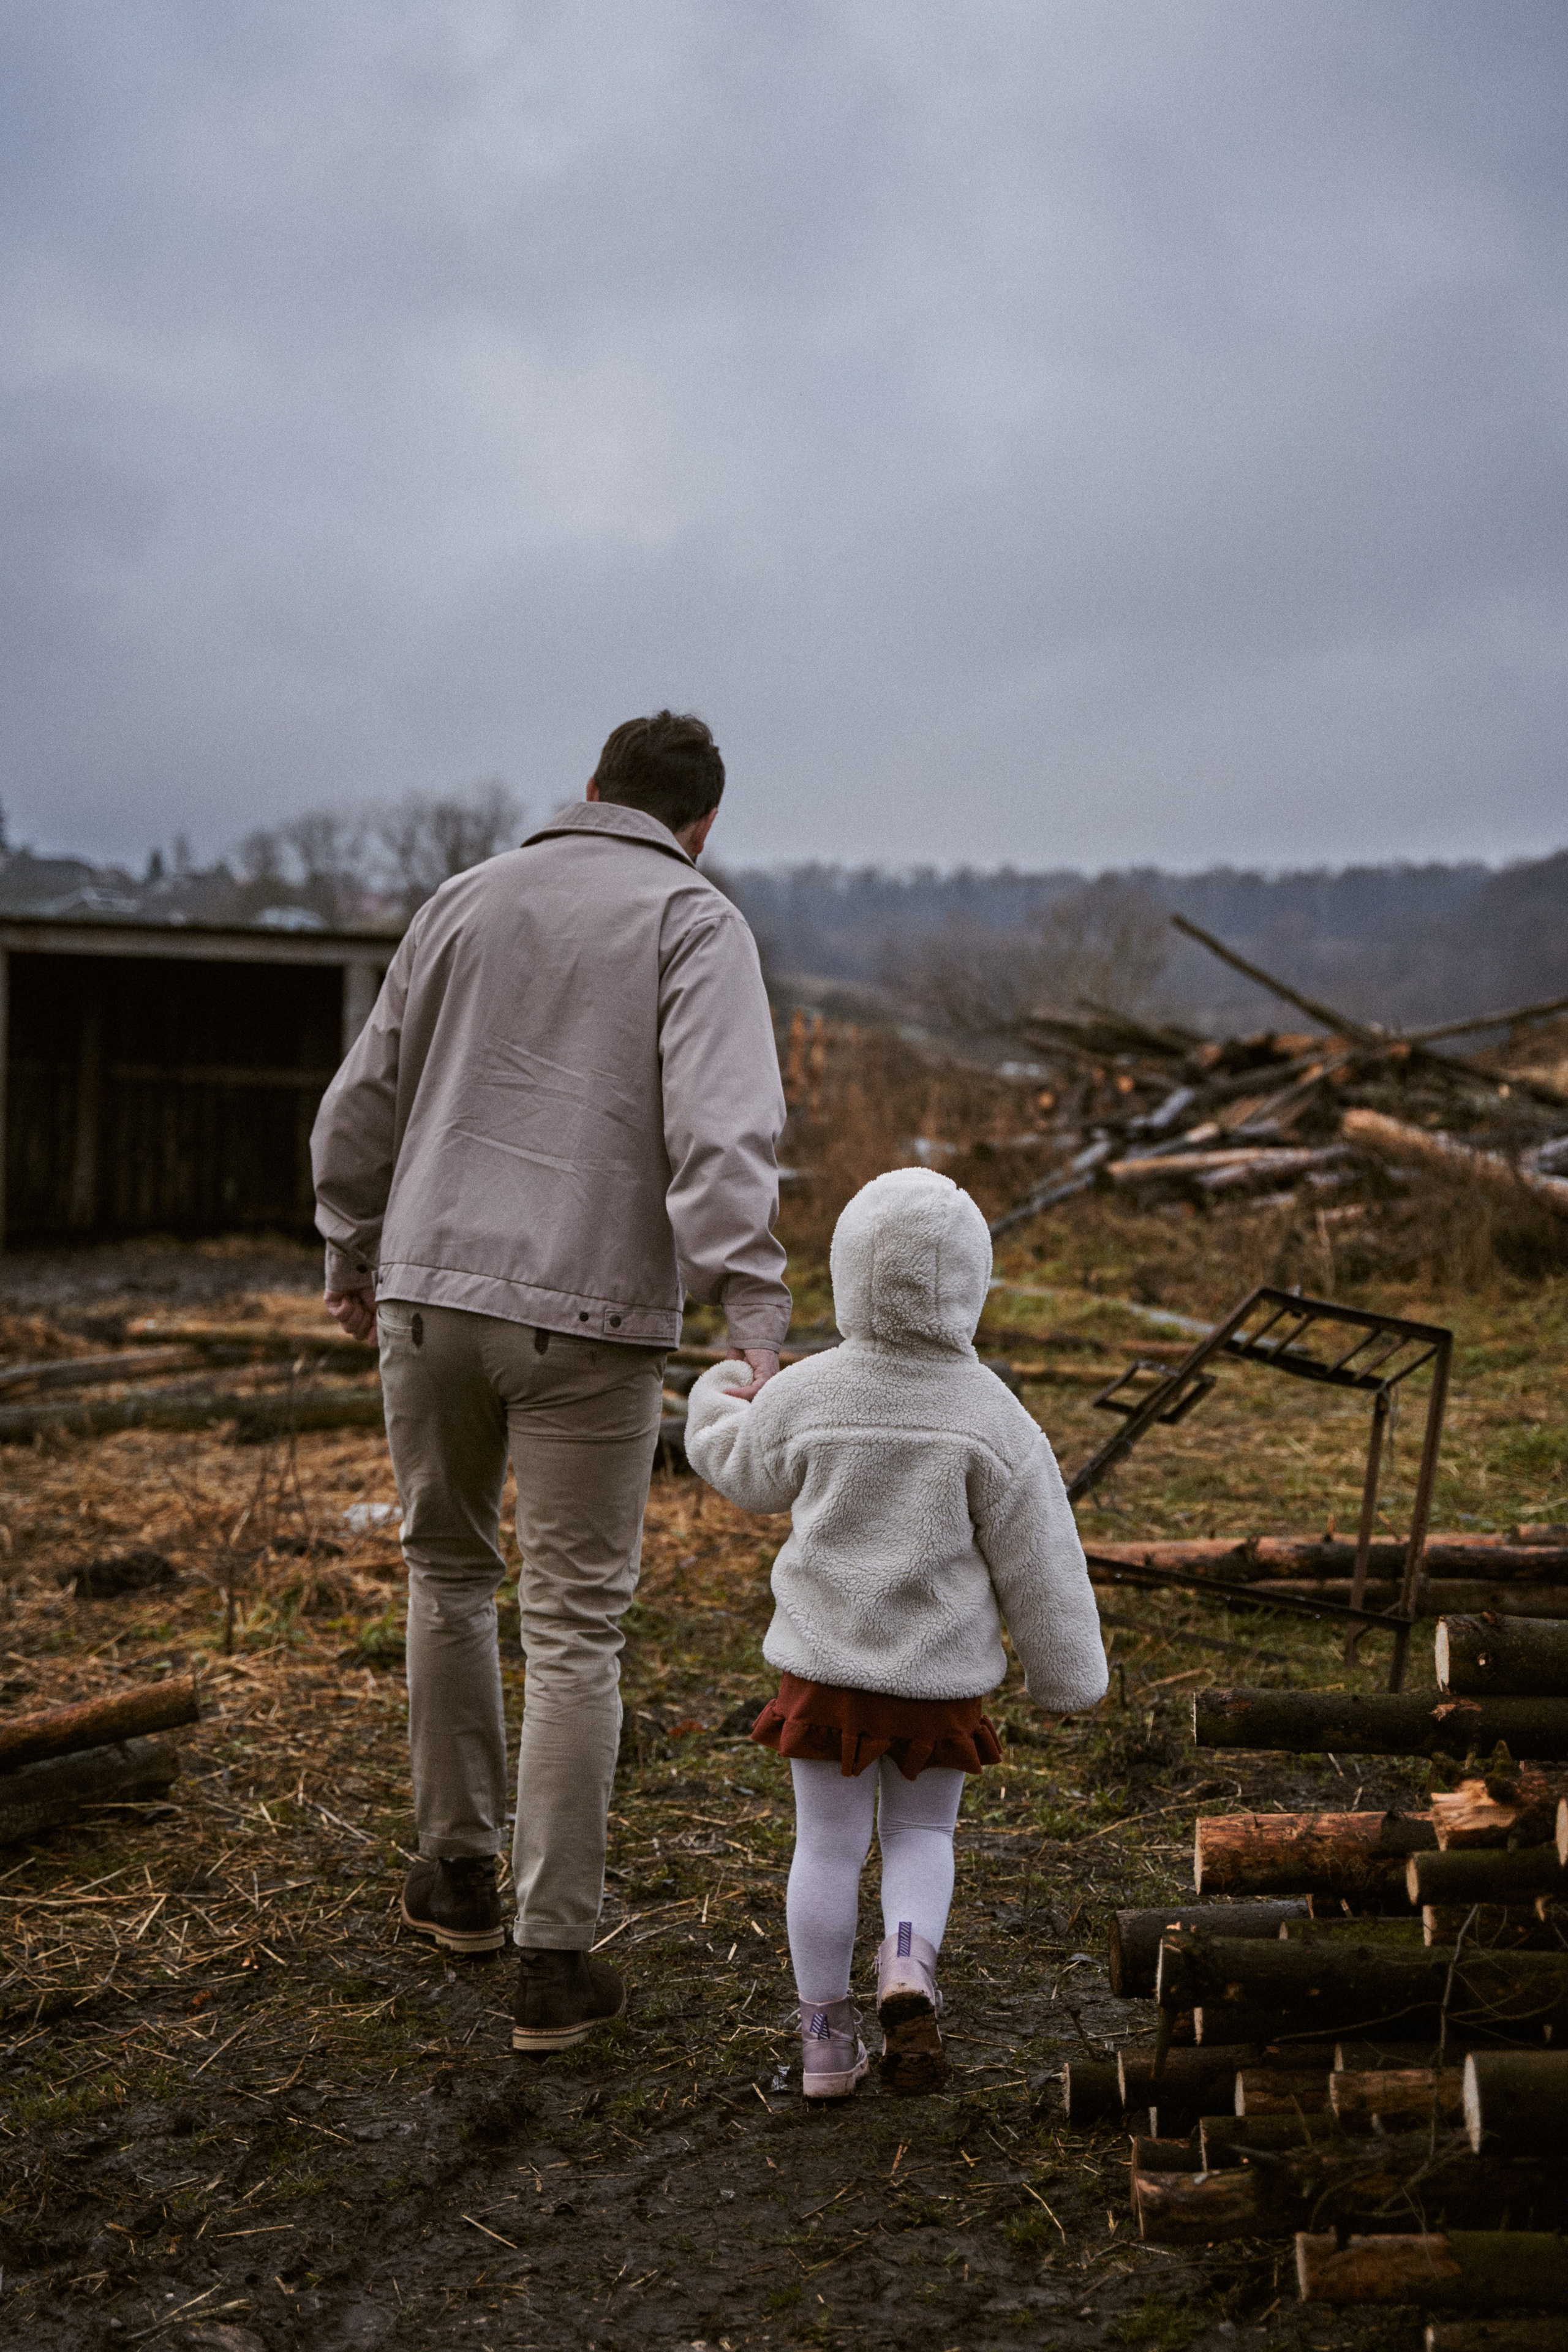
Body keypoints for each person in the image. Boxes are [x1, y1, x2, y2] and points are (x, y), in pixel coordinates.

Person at [310, 712, 790, 2052]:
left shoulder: (462, 901)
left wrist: (350, 1248)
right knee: (574, 1629)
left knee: (446, 1575)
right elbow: (721, 1129)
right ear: (698, 826)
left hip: (427, 1294)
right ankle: (551, 1959)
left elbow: (361, 1102)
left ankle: (455, 1878)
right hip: (589, 1315)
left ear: (589, 791)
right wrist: (754, 1308)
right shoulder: (694, 923)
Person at [683, 1165, 1106, 2097]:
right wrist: (1069, 1673)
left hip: (825, 1674)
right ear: (971, 1282)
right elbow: (1043, 1557)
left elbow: (739, 1465)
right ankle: (908, 1964)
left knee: (826, 1848)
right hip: (939, 1680)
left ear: (845, 1274)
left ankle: (825, 2045)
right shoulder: (992, 1413)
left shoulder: (812, 1393)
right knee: (922, 1838)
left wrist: (719, 1391)